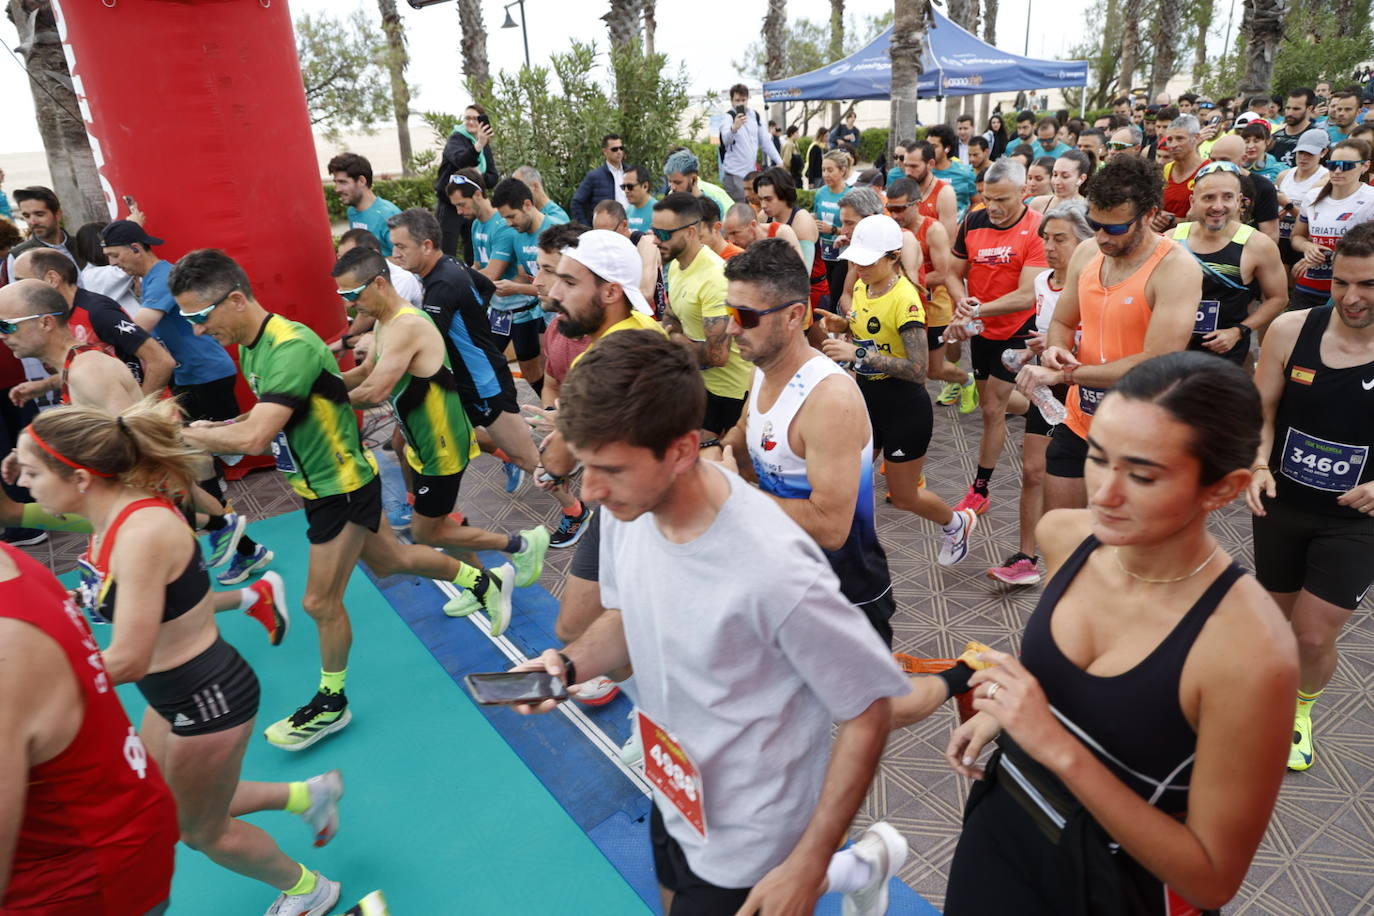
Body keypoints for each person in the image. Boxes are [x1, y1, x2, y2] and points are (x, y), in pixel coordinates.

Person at [515, 329, 911, 916]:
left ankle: (844, 865)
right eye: (585, 466)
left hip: (754, 834)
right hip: (674, 786)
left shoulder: (775, 566)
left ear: (679, 451)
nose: (591, 492)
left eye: (609, 470)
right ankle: (860, 866)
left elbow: (869, 711)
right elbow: (629, 615)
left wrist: (805, 866)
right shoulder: (634, 505)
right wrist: (569, 664)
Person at [943, 351, 1297, 916]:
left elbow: (1210, 880)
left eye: (1142, 475)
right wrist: (1001, 711)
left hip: (1112, 887)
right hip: (1000, 830)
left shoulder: (1250, 651)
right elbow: (1059, 674)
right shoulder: (1064, 534)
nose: (1105, 494)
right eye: (1099, 459)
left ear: (1223, 489)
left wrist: (1054, 745)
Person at [16, 398, 347, 916]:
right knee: (161, 801)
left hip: (208, 699)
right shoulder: (109, 516)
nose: (23, 485)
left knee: (200, 831)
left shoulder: (141, 530)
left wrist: (28, 697)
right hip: (171, 693)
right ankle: (308, 795)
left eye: (32, 473)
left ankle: (309, 889)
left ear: (81, 478)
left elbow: (125, 659)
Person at [172, 249, 497, 749]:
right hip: (320, 483)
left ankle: (331, 703)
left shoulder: (290, 346)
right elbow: (272, 418)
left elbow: (257, 438)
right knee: (392, 560)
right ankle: (484, 580)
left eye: (199, 317)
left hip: (341, 486)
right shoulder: (250, 344)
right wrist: (223, 427)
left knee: (319, 602)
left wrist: (195, 435)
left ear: (235, 300)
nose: (196, 331)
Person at [335, 246, 547, 603]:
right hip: (422, 442)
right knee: (442, 519)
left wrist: (315, 403)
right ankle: (482, 585)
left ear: (379, 283)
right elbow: (363, 374)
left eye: (354, 295)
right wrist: (317, 386)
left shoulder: (409, 325)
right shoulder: (385, 324)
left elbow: (376, 390)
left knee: (428, 531)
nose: (351, 305)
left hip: (442, 445)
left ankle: (522, 544)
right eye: (344, 297)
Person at [718, 237, 898, 644]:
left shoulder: (828, 399)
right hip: (785, 579)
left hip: (842, 597)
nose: (730, 328)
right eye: (728, 311)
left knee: (867, 710)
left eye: (744, 316)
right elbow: (744, 432)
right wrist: (712, 454)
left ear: (793, 315)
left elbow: (831, 527)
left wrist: (732, 494)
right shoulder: (761, 365)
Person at [1248, 223, 1374, 772]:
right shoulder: (1291, 330)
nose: (1351, 297)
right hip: (1284, 502)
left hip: (1355, 519)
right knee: (1278, 627)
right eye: (1341, 281)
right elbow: (1262, 413)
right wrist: (1254, 463)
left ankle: (1300, 710)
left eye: (1368, 285)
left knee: (1313, 631)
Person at [0, 538, 179, 916]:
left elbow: (131, 660)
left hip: (87, 883)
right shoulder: (12, 564)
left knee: (207, 823)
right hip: (116, 835)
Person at [1023, 154, 1199, 512]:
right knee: (1063, 536)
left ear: (1149, 216)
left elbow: (1154, 363)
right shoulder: (1088, 252)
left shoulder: (1176, 269)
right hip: (1080, 421)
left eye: (1115, 229)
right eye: (1095, 224)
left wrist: (1064, 373)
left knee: (1122, 553)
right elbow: (1062, 322)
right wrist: (1057, 349)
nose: (1102, 237)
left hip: (1143, 434)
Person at [100, 219, 271, 582]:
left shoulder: (162, 278)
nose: (114, 263)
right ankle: (238, 542)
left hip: (207, 374)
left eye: (116, 255)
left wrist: (95, 344)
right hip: (190, 375)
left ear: (136, 249)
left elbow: (138, 328)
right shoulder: (152, 278)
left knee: (202, 460)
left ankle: (236, 539)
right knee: (196, 462)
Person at [817, 215, 978, 567]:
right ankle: (842, 550)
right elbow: (869, 332)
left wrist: (857, 353)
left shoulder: (905, 300)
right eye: (856, 259)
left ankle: (957, 523)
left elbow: (918, 370)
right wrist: (843, 325)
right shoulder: (863, 286)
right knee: (847, 480)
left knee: (904, 497)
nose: (859, 267)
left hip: (905, 408)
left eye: (868, 261)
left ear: (892, 258)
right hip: (867, 402)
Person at [386, 207, 548, 500]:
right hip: (462, 384)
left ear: (426, 245)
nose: (395, 254)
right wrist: (472, 317)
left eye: (400, 246)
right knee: (420, 443)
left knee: (530, 459)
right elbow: (485, 287)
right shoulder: (449, 265)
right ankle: (423, 513)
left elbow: (425, 343)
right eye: (393, 246)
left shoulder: (443, 284)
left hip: (485, 384)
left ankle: (576, 510)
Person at [986, 201, 1094, 587]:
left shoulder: (1095, 283)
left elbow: (1105, 346)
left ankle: (1078, 559)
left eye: (1060, 239)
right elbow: (1044, 333)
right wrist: (1031, 350)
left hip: (1087, 389)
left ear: (1084, 241)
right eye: (1045, 238)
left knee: (1084, 480)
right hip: (1050, 393)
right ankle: (1026, 557)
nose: (1049, 247)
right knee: (1033, 472)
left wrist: (1061, 343)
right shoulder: (1041, 282)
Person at [944, 158, 1049, 515]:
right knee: (999, 400)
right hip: (982, 327)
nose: (994, 208)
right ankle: (1039, 401)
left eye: (1002, 199)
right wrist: (962, 303)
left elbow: (1026, 294)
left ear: (1024, 191)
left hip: (1018, 329)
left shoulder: (1037, 228)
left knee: (991, 408)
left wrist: (974, 311)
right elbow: (952, 273)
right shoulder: (973, 220)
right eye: (988, 198)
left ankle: (980, 488)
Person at [653, 192, 751, 437]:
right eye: (654, 232)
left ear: (690, 232)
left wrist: (673, 341)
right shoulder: (676, 265)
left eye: (664, 234)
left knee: (728, 465)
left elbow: (717, 355)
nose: (656, 241)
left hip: (729, 392)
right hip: (698, 382)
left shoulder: (714, 278)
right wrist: (676, 336)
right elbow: (672, 315)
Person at [13, 248, 175, 396]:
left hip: (144, 419)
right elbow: (83, 369)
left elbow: (161, 361)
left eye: (21, 281)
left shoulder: (98, 312)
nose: (17, 289)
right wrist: (45, 385)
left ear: (52, 279)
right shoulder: (55, 316)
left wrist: (140, 412)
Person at [1173, 162, 1288, 366]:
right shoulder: (1171, 240)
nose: (1218, 206)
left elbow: (1278, 298)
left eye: (1227, 197)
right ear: (1193, 201)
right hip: (1174, 349)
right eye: (1208, 197)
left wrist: (1238, 331)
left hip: (1224, 354)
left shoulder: (1258, 245)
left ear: (1239, 201)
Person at [883, 177, 969, 397]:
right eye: (890, 208)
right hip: (903, 307)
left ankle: (966, 381)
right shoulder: (890, 228)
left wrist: (902, 283)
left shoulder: (933, 230)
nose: (894, 215)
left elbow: (942, 273)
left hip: (934, 308)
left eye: (900, 208)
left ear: (917, 203)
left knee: (934, 369)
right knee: (909, 364)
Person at [1291, 139, 1374, 309]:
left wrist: (1328, 256)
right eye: (1332, 165)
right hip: (1309, 286)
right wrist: (1308, 247)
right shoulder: (1313, 196)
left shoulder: (1371, 198)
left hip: (1351, 290)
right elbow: (1296, 237)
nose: (1337, 171)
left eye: (1346, 165)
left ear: (1365, 166)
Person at [435, 103, 499, 259]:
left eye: (475, 119)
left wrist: (479, 176)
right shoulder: (456, 138)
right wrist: (478, 146)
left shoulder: (483, 143)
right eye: (467, 118)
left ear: (481, 122)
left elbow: (492, 178)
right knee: (445, 249)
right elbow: (461, 162)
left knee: (473, 249)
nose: (470, 122)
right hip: (450, 205)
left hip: (473, 204)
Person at [591, 198, 669, 320]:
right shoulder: (602, 249)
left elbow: (646, 294)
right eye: (597, 235)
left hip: (650, 320)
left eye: (608, 234)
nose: (603, 240)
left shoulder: (645, 243)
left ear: (624, 225)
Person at [1275, 129, 1332, 270]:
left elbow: (1315, 219)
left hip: (1304, 241)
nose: (1303, 158)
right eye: (1301, 153)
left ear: (1323, 153)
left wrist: (1288, 206)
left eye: (1310, 154)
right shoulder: (1284, 175)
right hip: (1280, 236)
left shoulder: (1325, 179)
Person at [328, 153, 402, 257]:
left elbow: (405, 258)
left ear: (362, 181)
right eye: (336, 182)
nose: (337, 189)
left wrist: (364, 263)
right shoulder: (352, 211)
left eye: (343, 182)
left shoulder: (388, 215)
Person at [719, 84, 782, 203]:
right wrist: (734, 128)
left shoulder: (755, 115)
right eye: (737, 100)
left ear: (748, 99)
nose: (740, 104)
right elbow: (725, 141)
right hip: (734, 174)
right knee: (741, 210)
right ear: (731, 100)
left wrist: (779, 161)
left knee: (754, 208)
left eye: (743, 100)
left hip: (751, 174)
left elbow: (766, 141)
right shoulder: (728, 117)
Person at [6, 186, 77, 281]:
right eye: (27, 216)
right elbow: (19, 294)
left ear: (58, 215)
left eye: (39, 214)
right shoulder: (18, 256)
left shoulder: (82, 244)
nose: (33, 221)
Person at [1153, 115, 1209, 231]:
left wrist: (1173, 221)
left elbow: (1210, 216)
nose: (1173, 145)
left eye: (1180, 138)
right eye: (1169, 139)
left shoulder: (1209, 171)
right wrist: (1156, 216)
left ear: (1196, 138)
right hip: (1163, 240)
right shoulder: (1165, 170)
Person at [902, 141, 959, 239]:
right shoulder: (902, 189)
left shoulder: (945, 193)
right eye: (906, 165)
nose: (908, 172)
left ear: (931, 164)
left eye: (914, 166)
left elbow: (948, 241)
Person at [571, 134, 629, 224]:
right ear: (605, 151)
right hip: (606, 229)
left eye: (621, 148)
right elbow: (577, 202)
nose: (619, 152)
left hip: (630, 226)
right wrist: (585, 228)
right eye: (614, 149)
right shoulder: (594, 176)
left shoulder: (631, 173)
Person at [662, 148, 734, 217]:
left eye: (678, 182)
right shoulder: (671, 199)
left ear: (693, 179)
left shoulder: (712, 206)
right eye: (670, 181)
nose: (672, 187)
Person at [926, 124, 978, 216]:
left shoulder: (965, 173)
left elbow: (977, 202)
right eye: (927, 146)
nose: (929, 150)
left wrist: (965, 221)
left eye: (934, 147)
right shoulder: (923, 172)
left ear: (947, 149)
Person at [720, 200, 803, 259]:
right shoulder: (730, 246)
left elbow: (800, 269)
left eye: (735, 233)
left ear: (753, 225)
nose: (731, 240)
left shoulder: (781, 233)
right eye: (728, 235)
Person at [1027, 150, 1093, 214]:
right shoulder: (1038, 203)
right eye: (1055, 175)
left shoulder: (1088, 210)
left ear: (1081, 179)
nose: (1057, 181)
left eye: (1065, 176)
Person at [1271, 88, 1318, 168]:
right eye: (1288, 108)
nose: (1290, 113)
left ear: (1309, 109)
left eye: (1296, 109)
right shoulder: (1275, 136)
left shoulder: (1316, 137)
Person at [620, 165, 657, 232]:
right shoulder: (627, 211)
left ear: (645, 186)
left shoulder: (658, 211)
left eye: (630, 186)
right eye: (623, 187)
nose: (626, 190)